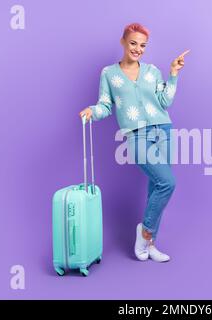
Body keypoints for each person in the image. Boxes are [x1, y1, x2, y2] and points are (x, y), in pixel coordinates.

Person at [79, 23, 189, 262]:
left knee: (156, 189)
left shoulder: (152, 71)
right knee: (167, 183)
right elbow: (106, 105)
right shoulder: (109, 73)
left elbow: (165, 101)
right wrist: (92, 111)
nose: (138, 49)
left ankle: (150, 245)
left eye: (142, 45)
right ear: (123, 42)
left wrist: (173, 73)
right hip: (136, 134)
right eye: (133, 43)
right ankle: (145, 231)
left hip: (163, 130)